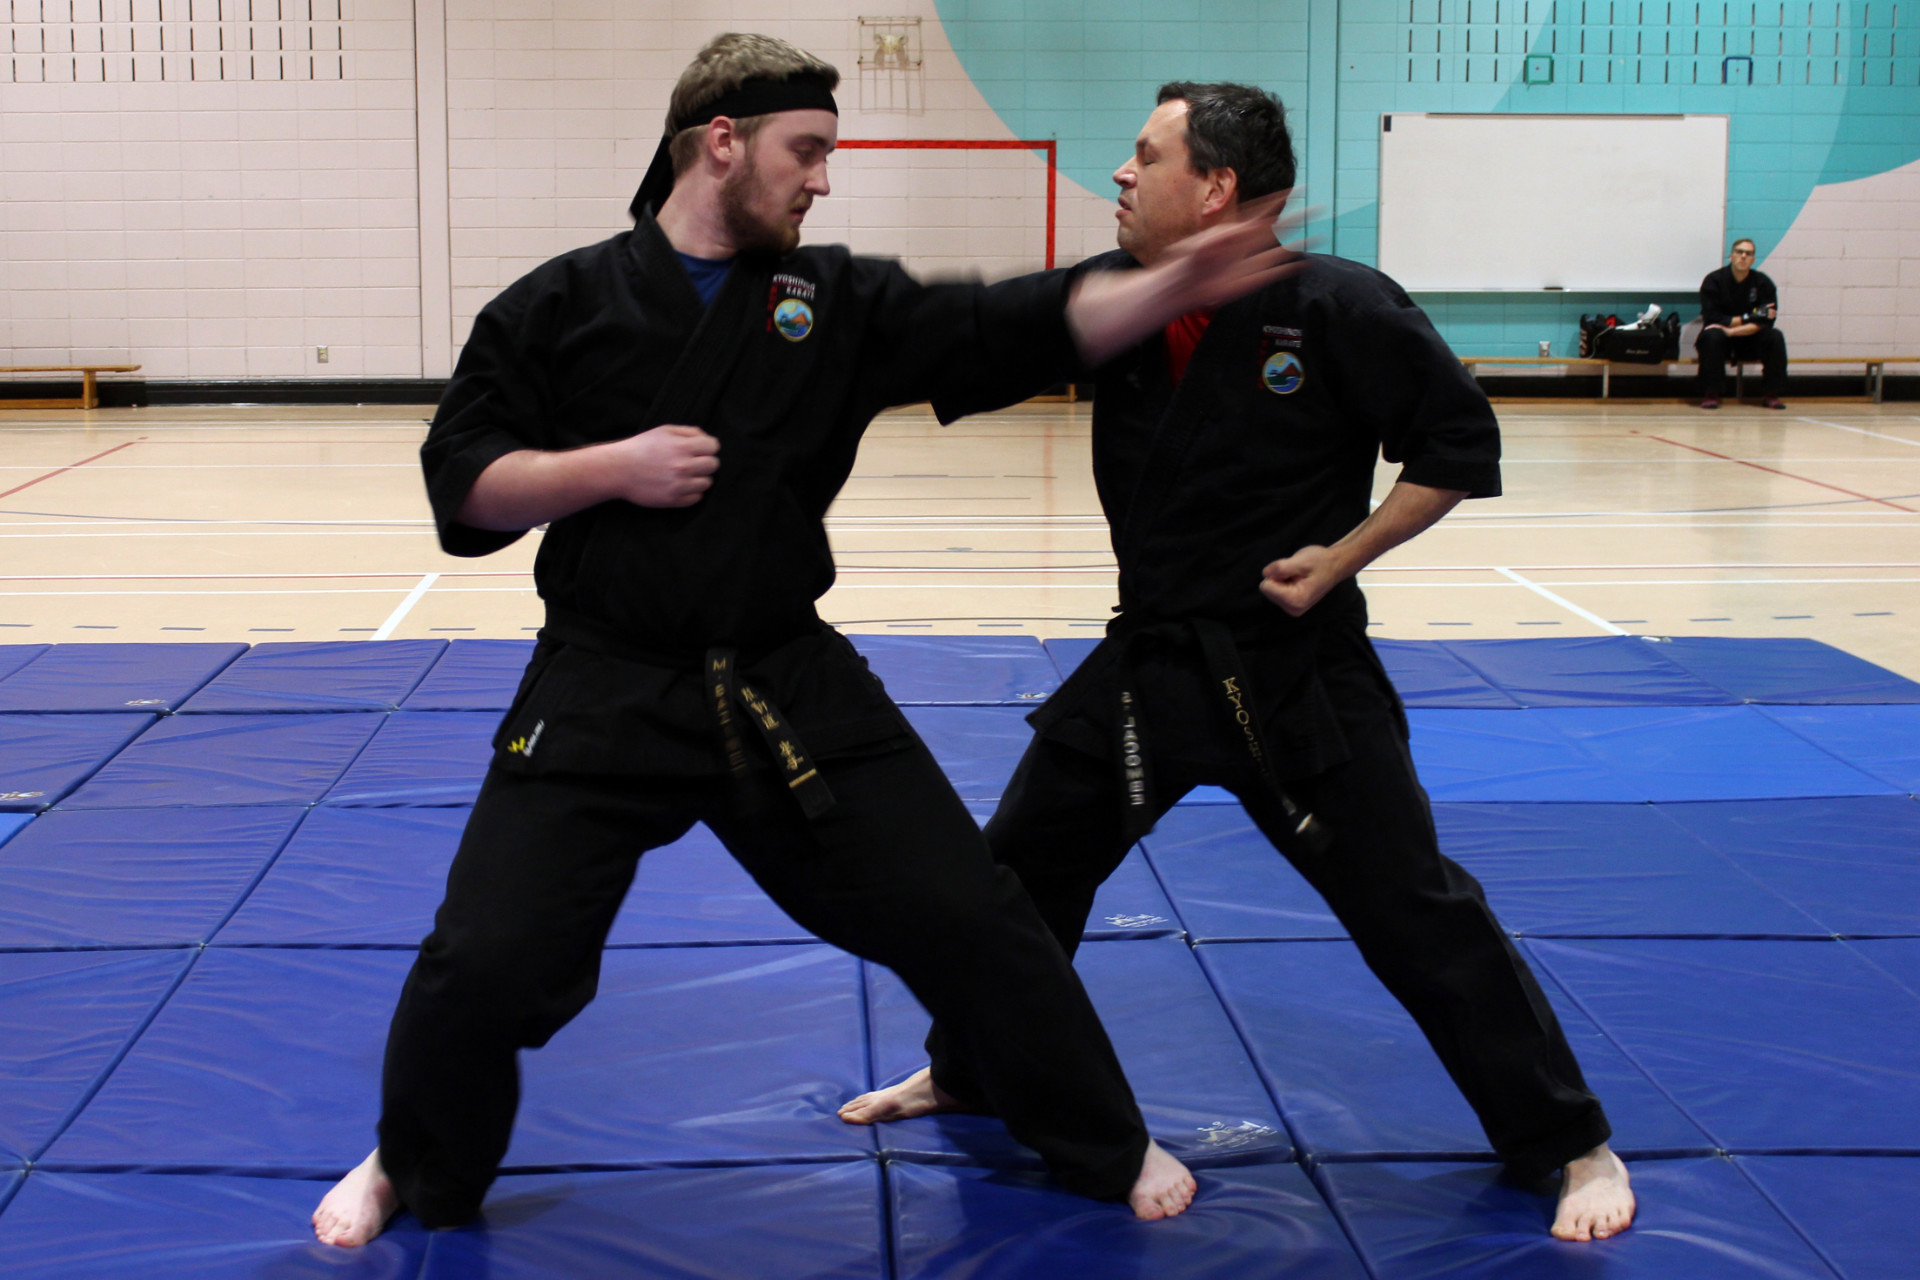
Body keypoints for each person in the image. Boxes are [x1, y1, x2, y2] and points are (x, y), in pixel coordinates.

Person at [311, 36, 1302, 1247]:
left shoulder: (830, 302)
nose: (823, 179)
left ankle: (1101, 1134)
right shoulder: (558, 304)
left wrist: (1173, 282)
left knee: (973, 913)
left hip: (783, 675)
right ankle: (411, 1158)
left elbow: (1005, 323)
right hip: (608, 681)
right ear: (722, 142)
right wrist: (611, 467)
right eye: (808, 151)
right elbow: (463, 484)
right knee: (484, 958)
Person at [841, 82, 1637, 1245]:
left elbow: (1458, 441)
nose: (1121, 173)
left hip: (1294, 671)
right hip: (1150, 660)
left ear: (1215, 186)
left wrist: (1343, 556)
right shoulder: (1111, 301)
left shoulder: (1339, 304)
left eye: (1145, 153)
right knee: (1015, 874)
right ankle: (971, 1069)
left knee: (1413, 909)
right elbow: (959, 348)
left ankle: (1568, 1137)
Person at [1697, 238, 1787, 409]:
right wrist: (1750, 316)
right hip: (1721, 338)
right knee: (1711, 336)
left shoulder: (1763, 283)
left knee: (1774, 337)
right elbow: (1712, 318)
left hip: (1749, 337)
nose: (1743, 256)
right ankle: (1711, 394)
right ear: (1731, 256)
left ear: (1753, 259)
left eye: (1749, 253)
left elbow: (1766, 320)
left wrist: (1732, 330)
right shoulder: (1713, 280)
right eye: (1739, 252)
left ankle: (1771, 394)